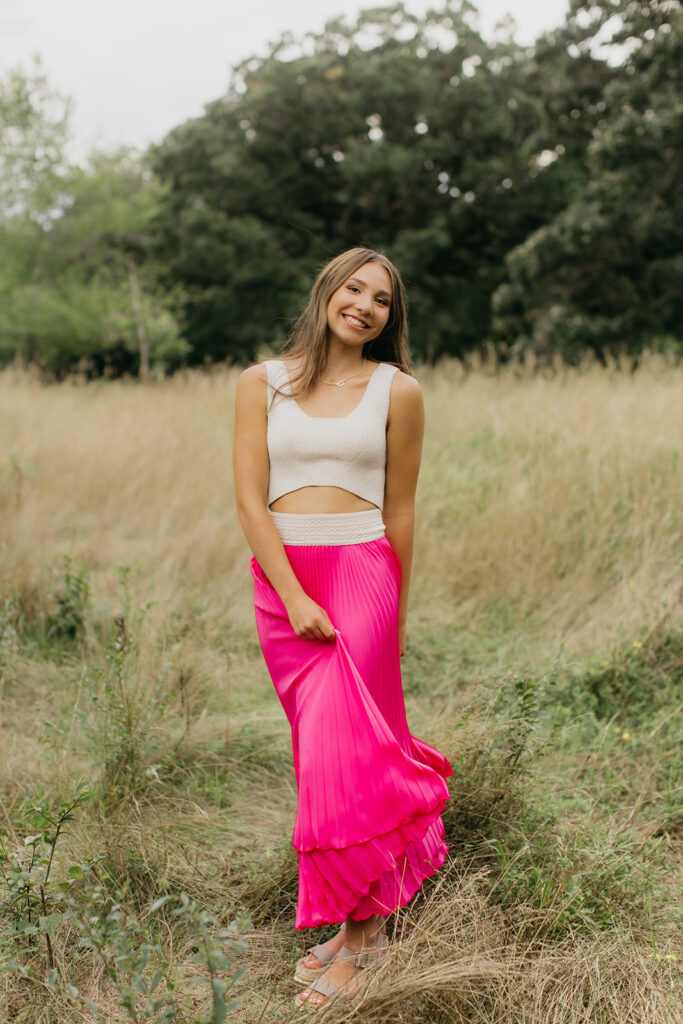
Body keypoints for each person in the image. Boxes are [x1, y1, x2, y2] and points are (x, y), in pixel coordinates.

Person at [233, 247, 452, 1009]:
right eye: (354, 288)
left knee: (349, 755)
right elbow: (251, 503)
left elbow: (400, 510)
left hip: (362, 580)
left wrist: (394, 609)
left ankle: (362, 943)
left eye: (381, 300)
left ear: (391, 318)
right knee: (317, 757)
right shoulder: (261, 383)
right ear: (327, 290)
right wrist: (292, 594)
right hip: (283, 586)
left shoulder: (400, 390)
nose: (364, 305)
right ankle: (357, 926)